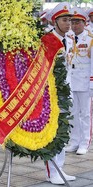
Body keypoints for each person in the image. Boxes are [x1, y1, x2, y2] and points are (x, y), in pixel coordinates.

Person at [44, 2, 76, 185]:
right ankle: (51, 171)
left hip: (67, 90)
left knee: (63, 131)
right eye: (64, 20)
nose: (68, 24)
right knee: (52, 132)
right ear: (55, 21)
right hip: (52, 93)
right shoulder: (48, 40)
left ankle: (60, 167)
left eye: (69, 20)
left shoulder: (70, 39)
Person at [64, 7, 93, 155]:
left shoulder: (90, 38)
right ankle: (74, 142)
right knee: (73, 112)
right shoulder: (68, 38)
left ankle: (85, 142)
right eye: (72, 22)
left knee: (86, 114)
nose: (74, 25)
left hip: (85, 82)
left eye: (77, 22)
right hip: (72, 81)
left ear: (84, 22)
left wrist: (92, 83)